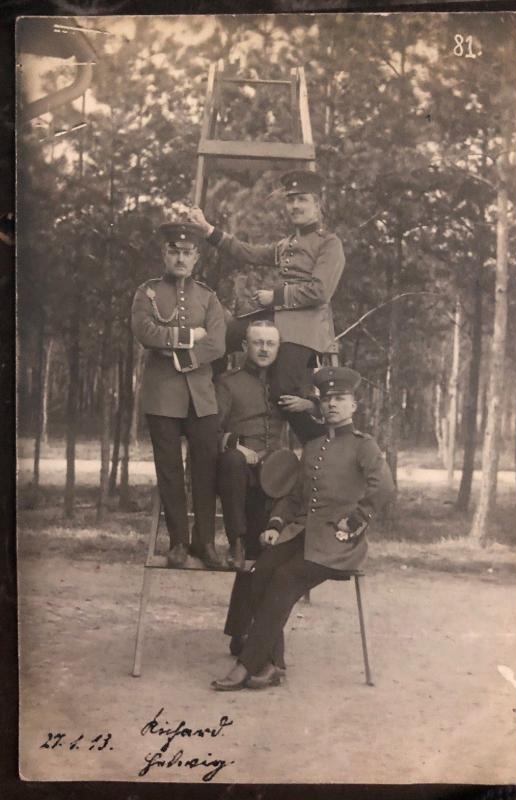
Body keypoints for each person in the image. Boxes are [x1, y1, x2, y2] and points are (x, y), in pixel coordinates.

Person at [210, 366, 395, 691]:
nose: (333, 405)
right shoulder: (312, 447)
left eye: (340, 399)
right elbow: (295, 496)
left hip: (338, 543)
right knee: (261, 570)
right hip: (302, 535)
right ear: (320, 405)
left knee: (284, 577)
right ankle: (272, 664)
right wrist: (276, 525)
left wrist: (355, 519)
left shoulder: (363, 445)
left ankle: (247, 665)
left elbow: (384, 487)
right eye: (327, 399)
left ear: (354, 406)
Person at [185, 170, 345, 442]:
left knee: (283, 392)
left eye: (302, 199)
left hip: (305, 328)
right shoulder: (287, 244)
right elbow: (247, 251)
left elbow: (321, 291)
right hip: (275, 321)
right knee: (220, 337)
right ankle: (209, 412)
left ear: (317, 204)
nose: (294, 205)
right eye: (291, 200)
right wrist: (209, 230)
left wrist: (276, 296)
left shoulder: (329, 243)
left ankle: (323, 446)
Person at [216, 319, 322, 658]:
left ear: (278, 350)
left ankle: (244, 633)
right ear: (246, 346)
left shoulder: (284, 389)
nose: (263, 349)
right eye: (257, 342)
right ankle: (234, 541)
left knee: (263, 556)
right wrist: (234, 444)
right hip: (236, 476)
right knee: (248, 547)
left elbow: (326, 420)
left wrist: (311, 405)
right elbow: (207, 430)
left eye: (270, 344)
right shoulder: (228, 383)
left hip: (274, 478)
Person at [131, 222, 226, 569]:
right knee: (169, 470)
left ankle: (205, 542)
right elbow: (144, 330)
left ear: (197, 256)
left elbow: (218, 342)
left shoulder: (208, 296)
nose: (181, 258)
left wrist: (181, 353)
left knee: (206, 469)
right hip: (163, 396)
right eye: (174, 251)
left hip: (201, 396)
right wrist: (189, 336)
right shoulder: (148, 292)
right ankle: (178, 543)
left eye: (187, 252)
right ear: (164, 254)